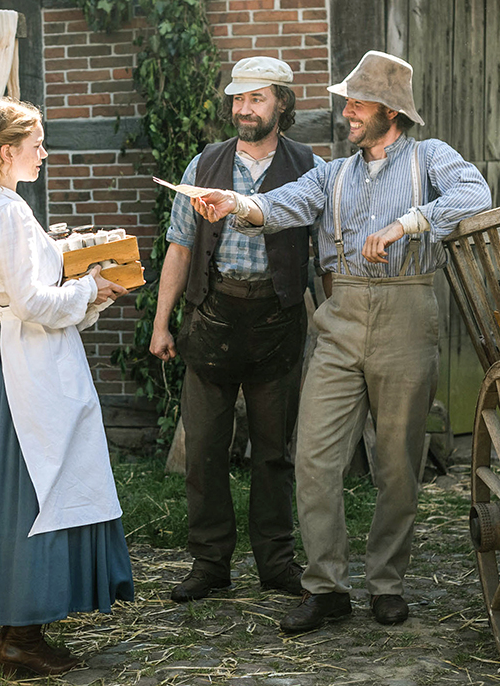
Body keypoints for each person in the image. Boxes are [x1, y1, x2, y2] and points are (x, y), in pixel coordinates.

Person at [191, 51, 491, 632]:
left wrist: (407, 224)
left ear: (390, 111)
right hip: (341, 316)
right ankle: (327, 586)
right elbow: (285, 203)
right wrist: (240, 204)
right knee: (313, 457)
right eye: (347, 102)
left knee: (397, 464)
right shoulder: (334, 172)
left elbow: (475, 197)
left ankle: (386, 583)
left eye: (356, 104)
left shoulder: (430, 159)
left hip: (407, 312)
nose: (346, 112)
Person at [0, 98, 135, 676]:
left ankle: (23, 629)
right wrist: (92, 286)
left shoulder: (1, 209)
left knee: (33, 484)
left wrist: (73, 267)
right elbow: (30, 302)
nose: (45, 153)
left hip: (22, 357)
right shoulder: (4, 213)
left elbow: (27, 287)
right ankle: (21, 636)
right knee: (34, 486)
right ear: (8, 153)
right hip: (25, 366)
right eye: (37, 145)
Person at [150, 57, 324, 602]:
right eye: (238, 99)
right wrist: (162, 324)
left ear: (281, 104)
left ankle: (276, 562)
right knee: (203, 448)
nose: (243, 109)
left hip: (277, 321)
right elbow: (179, 247)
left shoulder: (310, 167)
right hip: (212, 318)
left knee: (274, 452)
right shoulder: (204, 163)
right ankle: (209, 563)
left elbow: (326, 254)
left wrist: (336, 323)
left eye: (256, 99)